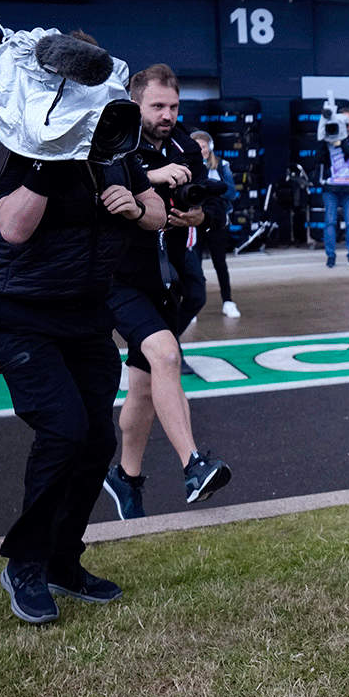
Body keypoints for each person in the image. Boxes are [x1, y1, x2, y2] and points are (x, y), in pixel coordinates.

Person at [0, 90, 166, 623]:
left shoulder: (114, 138)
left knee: (98, 436)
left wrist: (136, 205)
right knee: (63, 430)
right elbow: (12, 227)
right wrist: (50, 159)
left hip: (85, 310)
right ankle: (26, 563)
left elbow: (155, 211)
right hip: (18, 309)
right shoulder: (19, 139)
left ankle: (61, 559)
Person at [103, 63, 232, 520]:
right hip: (118, 278)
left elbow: (214, 202)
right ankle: (194, 466)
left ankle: (127, 477)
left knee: (142, 387)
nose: (167, 114)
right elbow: (106, 189)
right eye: (157, 106)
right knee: (166, 356)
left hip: (164, 280)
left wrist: (201, 217)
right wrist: (154, 177)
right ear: (135, 103)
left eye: (173, 106)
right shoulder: (114, 143)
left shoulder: (184, 147)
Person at [190, 130, 240, 318]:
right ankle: (192, 303)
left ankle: (228, 301)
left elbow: (232, 193)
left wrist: (210, 189)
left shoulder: (221, 165)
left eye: (203, 147)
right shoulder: (186, 165)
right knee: (193, 264)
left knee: (220, 262)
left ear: (209, 147)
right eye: (196, 147)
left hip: (217, 220)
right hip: (194, 221)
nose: (200, 150)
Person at [317, 106, 349, 268]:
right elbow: (319, 159)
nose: (348, 123)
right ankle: (330, 255)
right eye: (345, 120)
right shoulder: (328, 138)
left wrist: (343, 141)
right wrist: (324, 140)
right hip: (331, 187)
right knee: (330, 222)